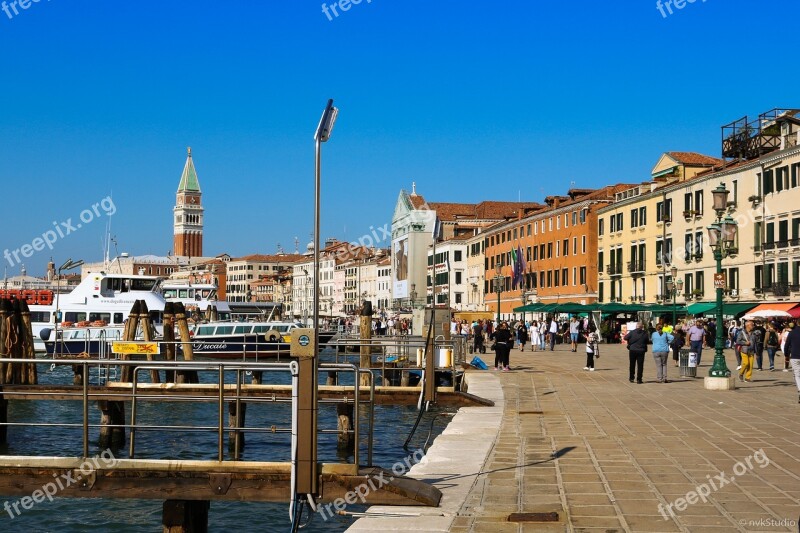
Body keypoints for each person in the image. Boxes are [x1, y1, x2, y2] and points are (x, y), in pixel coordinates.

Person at [781, 322, 800, 403]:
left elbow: (787, 345)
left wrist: (786, 355)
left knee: (797, 374)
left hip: (795, 356)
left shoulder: (791, 333)